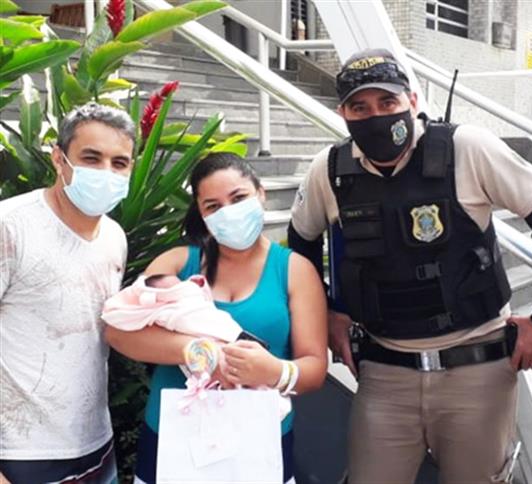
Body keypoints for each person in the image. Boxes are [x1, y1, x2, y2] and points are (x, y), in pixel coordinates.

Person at [287, 48, 532, 483]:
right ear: (343, 113)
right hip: (384, 373)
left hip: (476, 369)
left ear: (412, 99)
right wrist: (327, 312)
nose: (376, 116)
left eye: (387, 102)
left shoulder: (467, 148)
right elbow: (301, 241)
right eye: (360, 107)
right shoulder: (329, 171)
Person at [105, 152, 327, 484]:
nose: (229, 212)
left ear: (260, 193)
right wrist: (199, 351)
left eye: (238, 198)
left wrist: (274, 371)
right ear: (201, 213)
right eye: (213, 206)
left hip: (259, 440)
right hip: (175, 439)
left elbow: (315, 368)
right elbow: (119, 331)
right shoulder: (178, 264)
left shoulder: (294, 270)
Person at [0, 102, 135, 483]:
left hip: (95, 447)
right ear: (59, 159)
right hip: (18, 454)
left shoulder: (114, 237)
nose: (106, 172)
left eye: (119, 163)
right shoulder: (10, 226)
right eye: (91, 158)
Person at [102, 273, 244, 343]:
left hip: (237, 337)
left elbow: (204, 306)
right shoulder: (163, 312)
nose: (181, 287)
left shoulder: (193, 294)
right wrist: (201, 352)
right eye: (174, 288)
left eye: (180, 285)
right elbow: (115, 334)